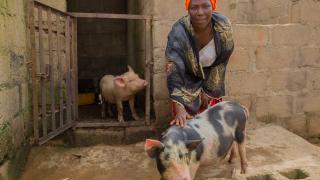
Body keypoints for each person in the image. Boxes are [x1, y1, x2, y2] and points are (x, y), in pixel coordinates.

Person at [165, 0, 234, 127]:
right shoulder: (179, 32)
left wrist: (208, 91)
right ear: (188, 9)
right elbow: (174, 69)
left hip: (212, 76)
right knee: (185, 123)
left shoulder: (223, 27)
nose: (200, 12)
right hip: (184, 78)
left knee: (212, 123)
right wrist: (180, 108)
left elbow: (222, 59)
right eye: (194, 8)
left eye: (205, 6)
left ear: (212, 6)